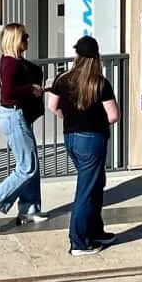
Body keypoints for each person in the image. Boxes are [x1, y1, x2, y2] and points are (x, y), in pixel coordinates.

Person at [48, 35, 119, 255]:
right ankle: (78, 242)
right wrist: (94, 122)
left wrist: (68, 117)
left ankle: (95, 230)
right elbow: (114, 115)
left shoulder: (63, 78)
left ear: (77, 54)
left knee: (96, 184)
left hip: (71, 138)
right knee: (87, 190)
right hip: (93, 139)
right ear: (96, 57)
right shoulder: (99, 82)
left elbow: (53, 106)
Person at [0, 23, 46, 229]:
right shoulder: (10, 64)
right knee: (27, 167)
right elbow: (8, 93)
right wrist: (30, 89)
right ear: (15, 39)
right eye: (24, 37)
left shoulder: (14, 61)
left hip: (17, 115)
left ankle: (29, 208)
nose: (28, 39)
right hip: (13, 115)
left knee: (31, 161)